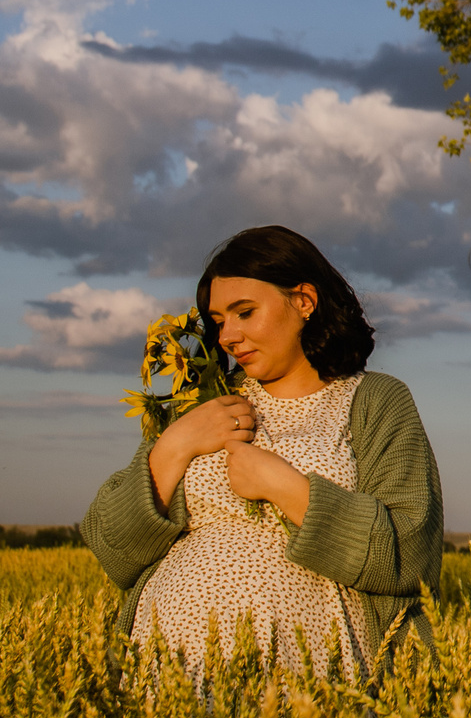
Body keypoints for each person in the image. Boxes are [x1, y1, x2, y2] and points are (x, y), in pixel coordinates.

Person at [80, 226, 442, 683]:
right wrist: (175, 446)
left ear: (304, 301)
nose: (228, 336)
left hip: (312, 681)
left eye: (245, 312)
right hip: (170, 676)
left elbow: (411, 555)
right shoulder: (203, 401)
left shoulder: (374, 399)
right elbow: (111, 548)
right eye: (217, 321)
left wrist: (286, 487)